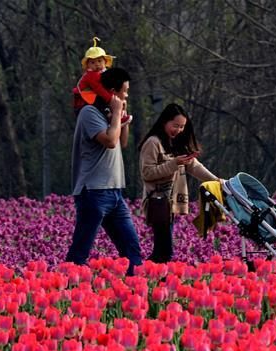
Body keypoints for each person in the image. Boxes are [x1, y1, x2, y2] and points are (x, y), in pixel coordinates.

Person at [65, 67, 143, 276]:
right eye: (124, 91)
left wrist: (122, 118)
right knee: (80, 253)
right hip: (93, 192)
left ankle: (136, 293)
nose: (126, 95)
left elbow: (122, 142)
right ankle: (65, 290)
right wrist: (117, 114)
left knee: (132, 249)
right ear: (112, 91)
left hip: (114, 192)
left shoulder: (110, 114)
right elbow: (109, 141)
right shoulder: (89, 112)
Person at [138, 103, 219, 263]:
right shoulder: (153, 143)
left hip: (171, 203)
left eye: (182, 127)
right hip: (158, 202)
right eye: (176, 125)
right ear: (164, 122)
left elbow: (194, 167)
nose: (179, 130)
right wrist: (174, 163)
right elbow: (147, 173)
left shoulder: (176, 142)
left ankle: (150, 275)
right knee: (164, 251)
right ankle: (148, 276)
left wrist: (217, 181)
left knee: (162, 249)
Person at [73, 37, 131, 125]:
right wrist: (110, 99)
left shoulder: (103, 73)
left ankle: (119, 115)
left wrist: (114, 94)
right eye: (92, 62)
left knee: (109, 98)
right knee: (101, 101)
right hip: (85, 97)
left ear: (105, 62)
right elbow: (99, 89)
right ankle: (110, 117)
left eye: (99, 61)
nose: (97, 64)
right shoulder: (91, 75)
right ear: (88, 65)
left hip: (94, 94)